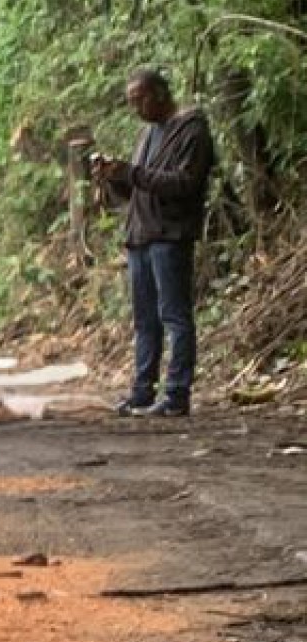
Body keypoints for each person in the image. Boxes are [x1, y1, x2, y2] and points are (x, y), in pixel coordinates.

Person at [92, 67, 216, 419]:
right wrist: (114, 177)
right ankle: (142, 391)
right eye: (131, 101)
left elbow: (183, 184)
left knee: (175, 316)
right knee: (145, 320)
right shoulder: (148, 135)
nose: (136, 108)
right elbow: (136, 189)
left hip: (170, 235)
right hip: (140, 236)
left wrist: (131, 173)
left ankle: (176, 394)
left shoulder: (192, 129)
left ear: (160, 94)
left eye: (140, 99)